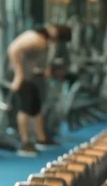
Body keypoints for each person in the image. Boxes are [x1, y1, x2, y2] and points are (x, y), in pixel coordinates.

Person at [6, 24, 70, 156]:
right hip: (23, 77)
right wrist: (19, 74)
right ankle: (25, 143)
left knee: (36, 108)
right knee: (25, 108)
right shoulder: (36, 40)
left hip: (30, 76)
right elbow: (13, 49)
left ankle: (41, 139)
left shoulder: (40, 39)